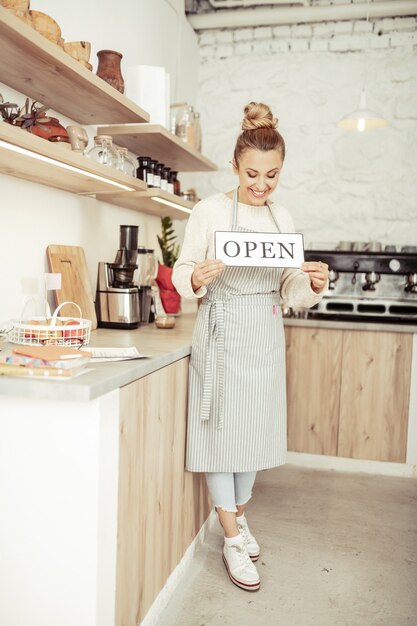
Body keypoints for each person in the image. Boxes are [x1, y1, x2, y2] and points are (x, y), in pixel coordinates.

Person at [172, 102, 329, 592]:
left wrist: (313, 284)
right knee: (222, 437)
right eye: (253, 174)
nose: (261, 185)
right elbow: (182, 270)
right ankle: (233, 536)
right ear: (236, 166)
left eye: (272, 175)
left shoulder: (283, 219)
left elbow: (290, 290)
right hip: (221, 329)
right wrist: (193, 276)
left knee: (253, 438)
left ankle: (236, 520)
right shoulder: (210, 211)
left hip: (264, 330)